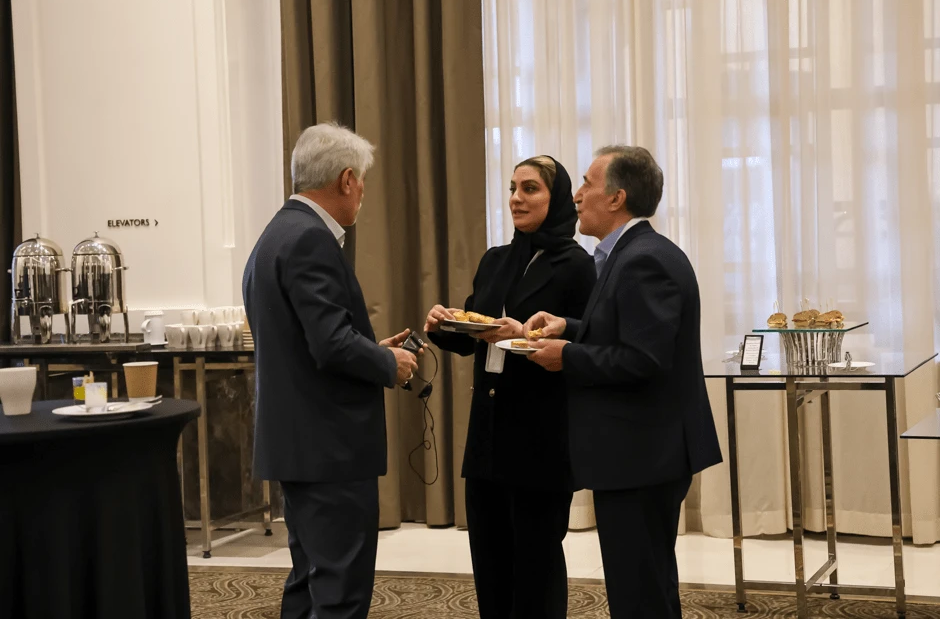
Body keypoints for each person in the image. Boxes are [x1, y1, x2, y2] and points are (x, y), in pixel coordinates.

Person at [523, 146, 722, 619]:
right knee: (647, 585)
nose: (576, 195)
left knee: (639, 594)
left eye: (587, 184)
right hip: (641, 453)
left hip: (641, 456)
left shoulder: (642, 260)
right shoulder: (632, 253)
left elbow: (643, 359)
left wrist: (566, 356)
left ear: (616, 198)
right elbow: (626, 330)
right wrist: (569, 327)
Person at [243, 122, 420, 619]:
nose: (362, 192)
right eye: (362, 181)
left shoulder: (276, 233)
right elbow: (330, 343)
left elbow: (308, 342)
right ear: (346, 180)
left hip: (299, 445)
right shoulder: (311, 239)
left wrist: (368, 349)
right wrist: (388, 362)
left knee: (308, 583)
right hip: (328, 450)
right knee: (340, 592)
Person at [423, 156, 596, 619]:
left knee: (536, 563)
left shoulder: (576, 265)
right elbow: (472, 333)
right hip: (488, 432)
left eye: (530, 188)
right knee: (491, 560)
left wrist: (524, 334)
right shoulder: (495, 260)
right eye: (513, 188)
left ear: (557, 199)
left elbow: (590, 340)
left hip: (540, 432)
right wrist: (442, 324)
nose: (516, 198)